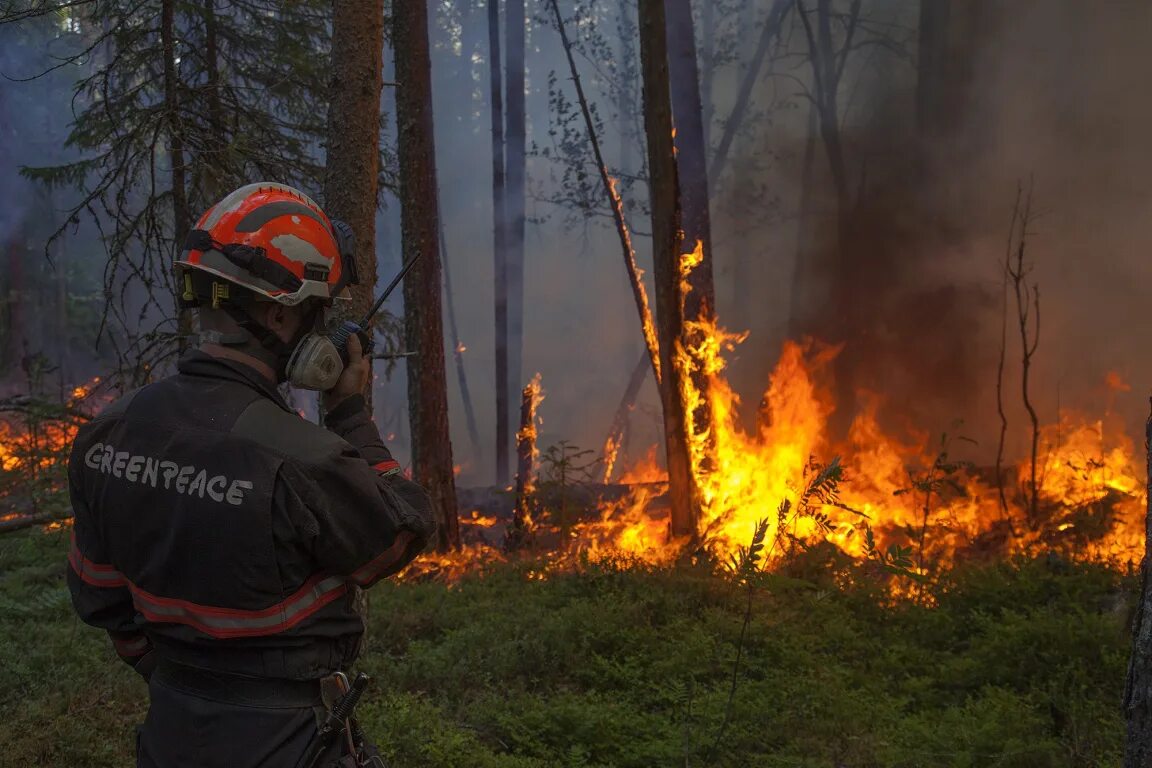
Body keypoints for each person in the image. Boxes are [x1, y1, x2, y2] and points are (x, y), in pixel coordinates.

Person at [66, 182, 435, 768]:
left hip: (169, 736)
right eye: (318, 313)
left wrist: (190, 685)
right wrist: (348, 415)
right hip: (288, 744)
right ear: (275, 311)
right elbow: (398, 538)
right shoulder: (305, 458)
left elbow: (104, 602)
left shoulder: (107, 432)